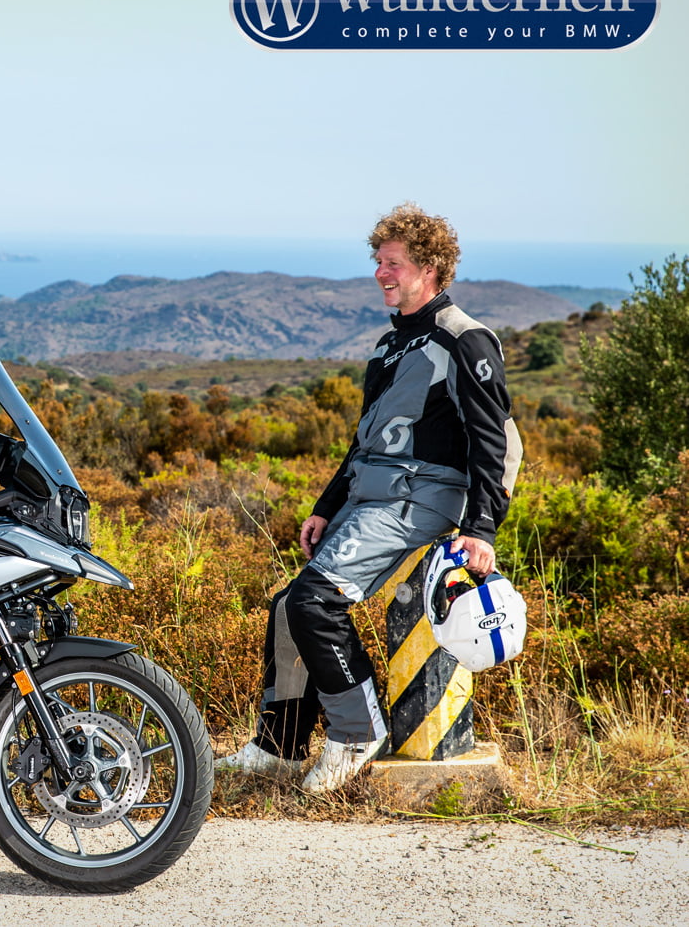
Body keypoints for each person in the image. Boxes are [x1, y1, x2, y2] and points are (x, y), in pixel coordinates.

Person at [219, 202, 522, 792]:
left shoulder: (465, 339)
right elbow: (365, 441)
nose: (381, 273)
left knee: (315, 603)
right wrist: (326, 505)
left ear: (430, 268)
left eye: (394, 263)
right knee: (288, 607)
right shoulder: (392, 344)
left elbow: (493, 441)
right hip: (371, 498)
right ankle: (280, 748)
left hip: (419, 499)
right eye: (379, 262)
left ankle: (357, 733)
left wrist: (481, 529)